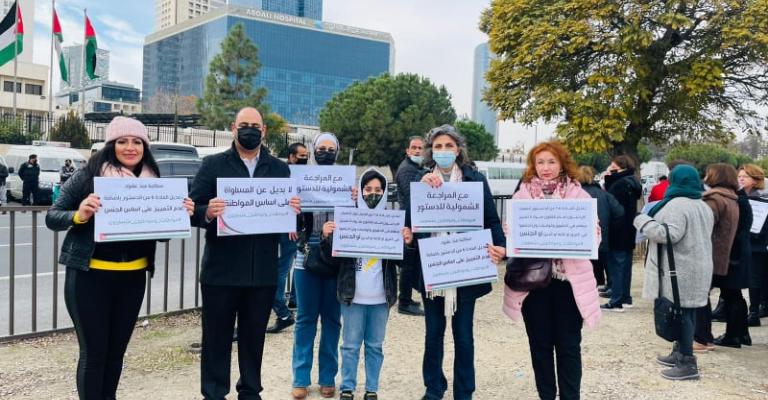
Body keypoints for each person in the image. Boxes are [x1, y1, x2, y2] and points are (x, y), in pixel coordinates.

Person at [45, 116, 194, 399]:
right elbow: (53, 217)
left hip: (132, 279)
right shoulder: (89, 175)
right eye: (122, 141)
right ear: (110, 145)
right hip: (90, 277)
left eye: (137, 142)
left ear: (144, 147)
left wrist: (177, 216)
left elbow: (160, 235)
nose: (130, 147)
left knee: (116, 353)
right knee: (94, 353)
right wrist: (79, 215)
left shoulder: (154, 180)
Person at [189, 107, 301, 400]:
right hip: (221, 272)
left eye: (255, 125)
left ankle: (250, 392)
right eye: (244, 125)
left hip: (261, 273)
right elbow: (191, 210)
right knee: (217, 340)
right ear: (233, 128)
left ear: (264, 131)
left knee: (254, 340)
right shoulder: (213, 165)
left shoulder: (279, 169)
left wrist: (294, 213)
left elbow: (289, 221)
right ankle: (214, 393)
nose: (250, 130)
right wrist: (207, 212)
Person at [405, 124, 506, 400]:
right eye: (438, 146)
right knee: (433, 334)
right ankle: (434, 387)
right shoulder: (421, 181)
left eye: (449, 146)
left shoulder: (475, 180)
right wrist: (407, 233)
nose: (444, 151)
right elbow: (410, 226)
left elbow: (491, 219)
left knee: (463, 336)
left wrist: (501, 248)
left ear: (458, 150)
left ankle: (464, 391)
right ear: (430, 152)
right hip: (433, 269)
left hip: (465, 268)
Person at [502, 141, 602, 400]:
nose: (545, 168)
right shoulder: (521, 195)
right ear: (533, 166)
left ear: (562, 164)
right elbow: (510, 232)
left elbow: (595, 235)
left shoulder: (579, 195)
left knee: (569, 346)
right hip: (533, 282)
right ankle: (546, 395)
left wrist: (580, 237)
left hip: (569, 283)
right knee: (540, 345)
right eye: (540, 162)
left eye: (551, 162)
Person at [321, 168, 411, 400]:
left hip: (382, 297)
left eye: (378, 190)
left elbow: (403, 263)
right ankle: (347, 388)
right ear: (360, 191)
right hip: (353, 296)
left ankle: (372, 388)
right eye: (368, 189)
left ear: (384, 192)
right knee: (350, 345)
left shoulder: (393, 221)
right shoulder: (347, 219)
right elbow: (332, 261)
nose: (373, 193)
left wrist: (407, 243)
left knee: (374, 346)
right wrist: (327, 238)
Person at [634, 164, 714, 381]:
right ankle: (679, 352)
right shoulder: (702, 204)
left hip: (681, 268)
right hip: (696, 266)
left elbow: (669, 235)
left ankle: (687, 362)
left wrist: (642, 221)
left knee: (683, 314)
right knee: (686, 312)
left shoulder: (678, 205)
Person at [291, 133, 345, 400]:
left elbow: (358, 220)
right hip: (306, 256)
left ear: (337, 151)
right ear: (314, 150)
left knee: (333, 320)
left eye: (330, 148)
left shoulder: (347, 183)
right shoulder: (300, 181)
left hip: (336, 257)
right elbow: (289, 216)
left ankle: (327, 378)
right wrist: (292, 213)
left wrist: (355, 200)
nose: (325, 152)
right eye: (321, 148)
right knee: (305, 319)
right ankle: (300, 377)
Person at [694, 164, 739, 352]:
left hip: (708, 254)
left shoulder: (714, 200)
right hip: (721, 255)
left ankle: (702, 339)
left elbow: (703, 226)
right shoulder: (731, 199)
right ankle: (704, 338)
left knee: (699, 296)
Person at [266, 142, 309, 334]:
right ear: (291, 157)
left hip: (294, 230)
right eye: (301, 155)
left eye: (306, 155)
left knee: (285, 269)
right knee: (278, 272)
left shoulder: (303, 175)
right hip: (285, 229)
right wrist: (291, 222)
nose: (304, 158)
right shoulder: (284, 174)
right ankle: (284, 311)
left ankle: (287, 308)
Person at [713, 183, 753, 348]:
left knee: (730, 294)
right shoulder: (741, 198)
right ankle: (742, 334)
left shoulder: (736, 200)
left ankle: (733, 336)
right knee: (735, 294)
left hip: (733, 251)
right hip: (740, 249)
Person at [601, 155, 642, 312]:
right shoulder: (632, 182)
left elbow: (613, 206)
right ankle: (625, 297)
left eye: (611, 165)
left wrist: (608, 177)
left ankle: (616, 300)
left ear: (618, 166)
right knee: (625, 266)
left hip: (617, 229)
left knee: (616, 265)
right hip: (629, 228)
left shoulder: (619, 184)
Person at [577, 166, 624, 288]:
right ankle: (608, 286)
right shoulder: (604, 195)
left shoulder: (574, 195)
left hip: (580, 241)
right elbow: (619, 212)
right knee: (606, 264)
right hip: (603, 237)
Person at [394, 135, 426, 316]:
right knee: (408, 264)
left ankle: (407, 297)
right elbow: (414, 194)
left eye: (420, 148)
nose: (417, 151)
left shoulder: (416, 168)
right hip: (409, 222)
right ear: (407, 150)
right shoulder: (407, 170)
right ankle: (404, 302)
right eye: (413, 147)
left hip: (413, 220)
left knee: (412, 263)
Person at [737, 164, 768, 326]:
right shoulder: (739, 197)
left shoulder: (763, 199)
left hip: (759, 244)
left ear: (756, 180)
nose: (740, 179)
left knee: (757, 279)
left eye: (745, 176)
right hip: (744, 243)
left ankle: (754, 312)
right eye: (739, 176)